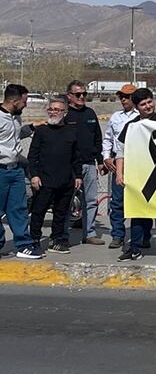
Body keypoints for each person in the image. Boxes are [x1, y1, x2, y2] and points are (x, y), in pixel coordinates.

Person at [114, 88, 156, 262]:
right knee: (138, 214)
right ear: (137, 107)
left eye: (150, 102)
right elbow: (120, 151)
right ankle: (135, 248)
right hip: (139, 177)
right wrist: (119, 173)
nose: (148, 106)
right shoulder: (132, 126)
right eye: (143, 104)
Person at [27, 97, 82, 255]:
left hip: (65, 180)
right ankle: (34, 240)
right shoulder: (41, 131)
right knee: (38, 212)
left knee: (61, 213)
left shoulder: (71, 131)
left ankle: (57, 240)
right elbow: (32, 156)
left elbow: (76, 157)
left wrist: (77, 176)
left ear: (64, 113)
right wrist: (34, 176)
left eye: (57, 110)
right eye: (51, 109)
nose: (53, 112)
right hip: (44, 180)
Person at [62, 80, 104, 245]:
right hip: (70, 167)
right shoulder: (65, 115)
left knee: (91, 201)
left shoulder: (90, 113)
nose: (81, 97)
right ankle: (62, 235)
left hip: (89, 164)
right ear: (69, 96)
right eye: (78, 94)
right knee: (66, 201)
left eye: (84, 94)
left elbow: (98, 138)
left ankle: (89, 233)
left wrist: (100, 161)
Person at [0, 84, 39, 259]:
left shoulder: (16, 117)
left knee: (19, 209)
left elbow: (13, 137)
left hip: (15, 171)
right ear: (14, 101)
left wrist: (32, 128)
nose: (26, 105)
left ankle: (24, 245)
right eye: (24, 101)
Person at [102, 84, 139, 249]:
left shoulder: (142, 116)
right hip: (119, 163)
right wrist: (106, 157)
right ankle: (117, 235)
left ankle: (142, 235)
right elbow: (108, 139)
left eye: (127, 96)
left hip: (138, 164)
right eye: (121, 96)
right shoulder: (116, 117)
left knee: (139, 201)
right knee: (117, 202)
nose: (124, 99)